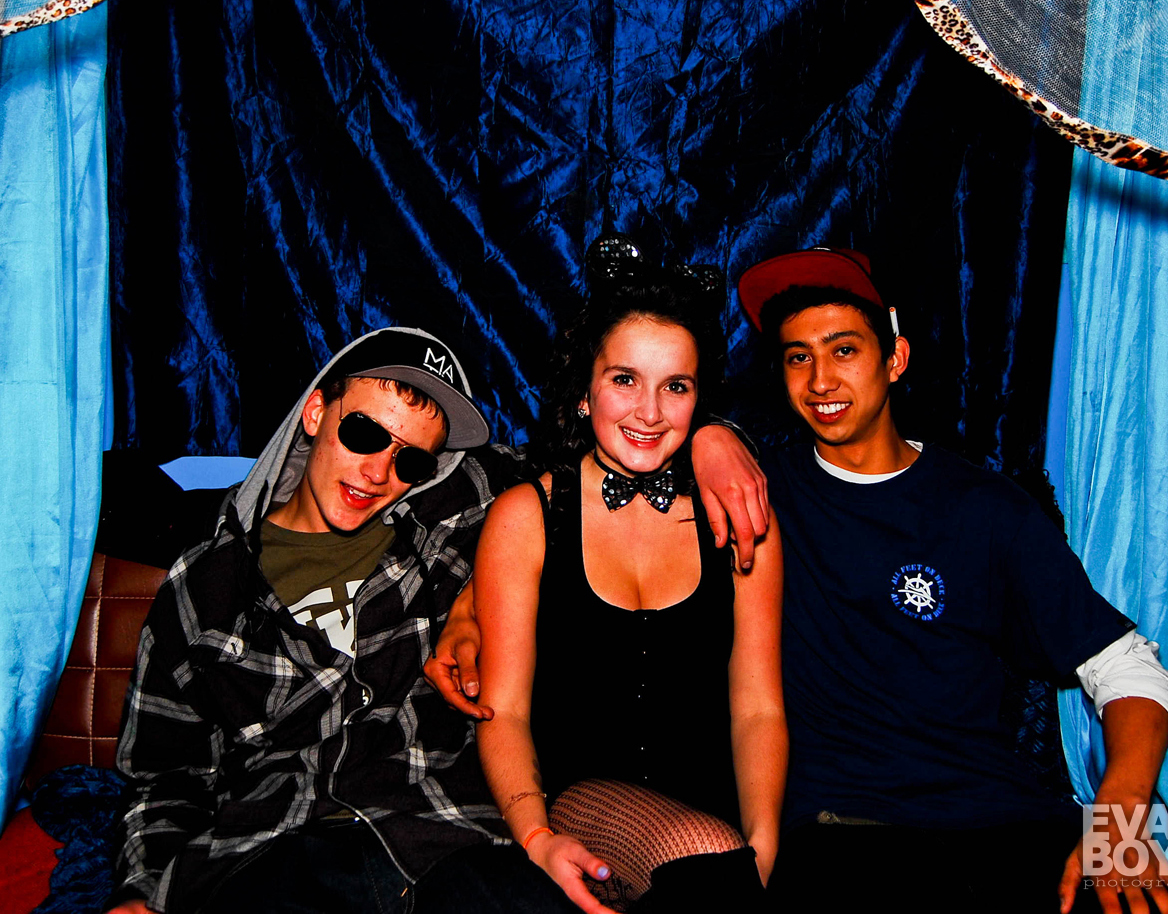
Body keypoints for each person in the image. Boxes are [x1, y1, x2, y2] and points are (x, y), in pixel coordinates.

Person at [105, 326, 769, 914]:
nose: (379, 471)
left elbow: (611, 446)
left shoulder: (454, 507)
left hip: (451, 837)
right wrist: (142, 890)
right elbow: (164, 777)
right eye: (364, 433)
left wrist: (715, 437)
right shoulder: (207, 584)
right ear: (315, 411)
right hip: (278, 848)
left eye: (411, 458)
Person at [734, 247, 1168, 914]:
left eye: (844, 350)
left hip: (1004, 823)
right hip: (845, 832)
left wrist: (1118, 816)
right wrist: (713, 437)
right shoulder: (762, 495)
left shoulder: (985, 507)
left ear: (895, 358)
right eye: (797, 357)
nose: (820, 380)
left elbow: (1128, 666)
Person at [473, 266, 786, 914]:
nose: (650, 411)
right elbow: (505, 711)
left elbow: (758, 707)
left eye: (675, 386)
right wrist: (535, 837)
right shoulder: (526, 516)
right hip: (579, 809)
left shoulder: (740, 514)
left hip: (716, 831)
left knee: (711, 858)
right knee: (703, 850)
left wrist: (761, 847)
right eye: (624, 380)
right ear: (585, 393)